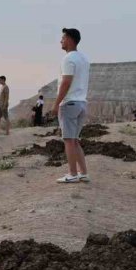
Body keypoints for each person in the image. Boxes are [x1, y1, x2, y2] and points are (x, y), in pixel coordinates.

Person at [52, 27, 90, 184]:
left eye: (63, 38)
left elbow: (66, 82)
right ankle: (83, 173)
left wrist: (56, 104)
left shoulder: (68, 59)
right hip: (82, 103)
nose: (61, 41)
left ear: (69, 39)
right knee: (75, 140)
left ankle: (72, 173)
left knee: (68, 140)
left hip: (70, 103)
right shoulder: (84, 58)